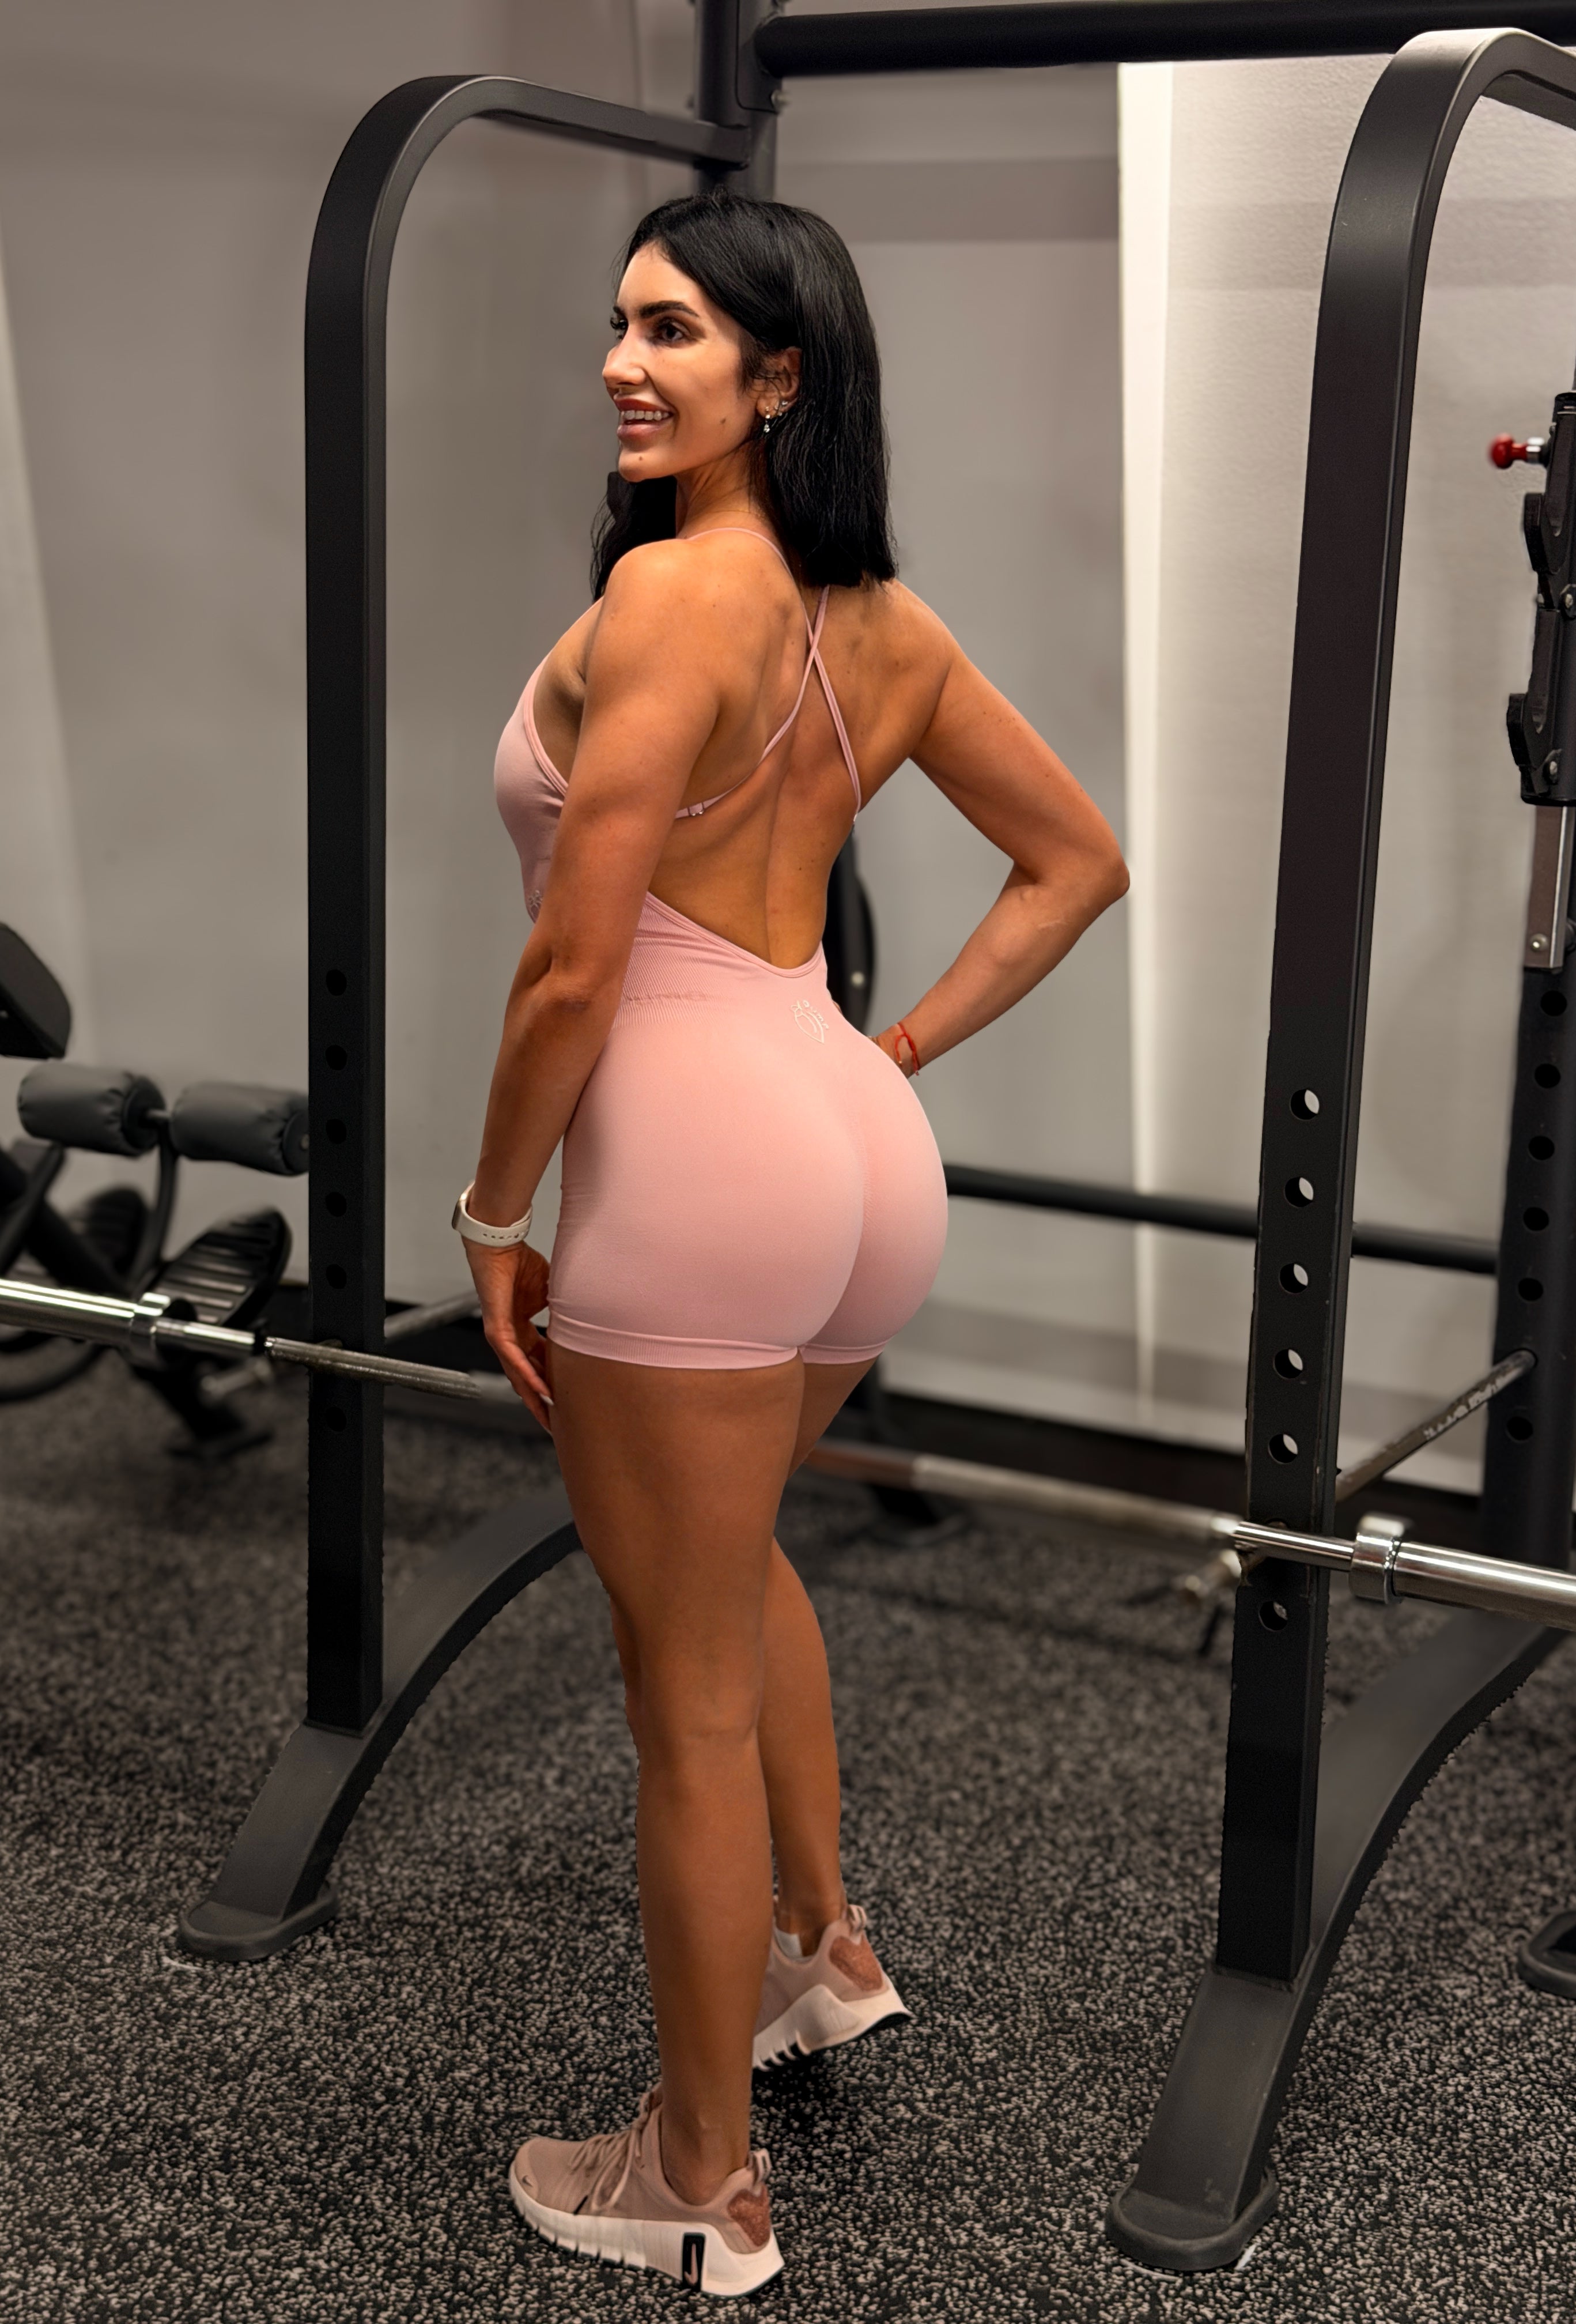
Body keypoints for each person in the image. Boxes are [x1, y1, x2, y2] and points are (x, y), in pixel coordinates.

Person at [456, 190, 1127, 2299]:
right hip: (844, 1146)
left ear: (781, 375)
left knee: (682, 1698)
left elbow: (575, 971)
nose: (621, 362)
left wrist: (491, 1213)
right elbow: (1077, 863)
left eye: (671, 330)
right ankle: (824, 1952)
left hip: (694, 1166)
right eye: (620, 322)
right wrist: (882, 1060)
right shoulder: (883, 621)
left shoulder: (676, 597)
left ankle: (699, 2184)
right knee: (733, 1571)